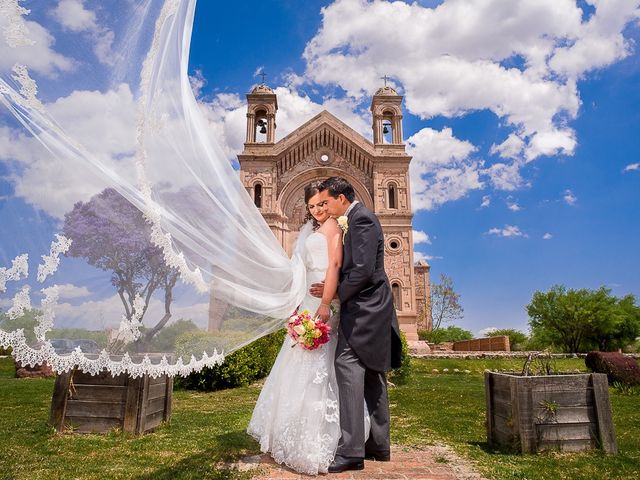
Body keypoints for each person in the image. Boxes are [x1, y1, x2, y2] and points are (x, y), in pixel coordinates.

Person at [246, 181, 344, 475]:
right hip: (306, 299)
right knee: (296, 359)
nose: (317, 211)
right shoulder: (311, 230)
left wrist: (327, 301)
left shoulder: (335, 229)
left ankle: (318, 437)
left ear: (330, 202)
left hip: (322, 300)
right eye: (312, 207)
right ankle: (289, 432)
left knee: (319, 361)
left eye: (322, 205)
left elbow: (335, 266)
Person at [312, 176, 403, 474]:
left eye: (327, 201)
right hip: (373, 307)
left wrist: (336, 294)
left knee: (347, 366)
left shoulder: (361, 219)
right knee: (373, 372)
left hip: (365, 308)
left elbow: (362, 269)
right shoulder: (358, 218)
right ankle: (378, 445)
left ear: (341, 198)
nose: (324, 206)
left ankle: (351, 451)